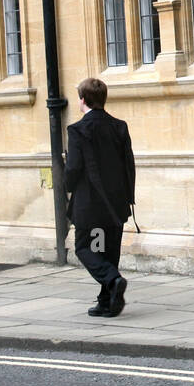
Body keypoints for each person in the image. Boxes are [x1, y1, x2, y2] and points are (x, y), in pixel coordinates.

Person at [64, 77, 134, 317]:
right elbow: (129, 165)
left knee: (85, 247)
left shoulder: (77, 130)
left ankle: (113, 280)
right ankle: (107, 301)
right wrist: (129, 198)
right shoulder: (120, 126)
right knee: (108, 251)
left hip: (90, 204)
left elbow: (73, 168)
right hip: (116, 202)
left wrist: (66, 187)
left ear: (82, 100)